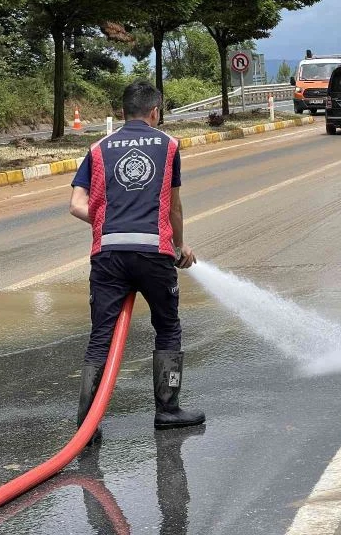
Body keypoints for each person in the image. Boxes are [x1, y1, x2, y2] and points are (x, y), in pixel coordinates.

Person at [69, 80, 204, 439]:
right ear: (155, 111)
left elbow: (76, 204)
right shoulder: (169, 145)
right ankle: (168, 410)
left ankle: (87, 425)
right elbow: (174, 206)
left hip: (108, 254)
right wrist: (180, 246)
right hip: (153, 252)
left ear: (122, 111)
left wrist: (109, 220)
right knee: (167, 327)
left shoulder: (98, 148)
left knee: (101, 336)